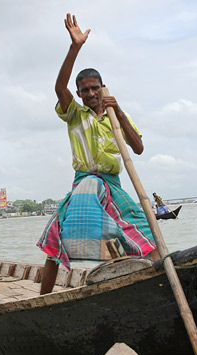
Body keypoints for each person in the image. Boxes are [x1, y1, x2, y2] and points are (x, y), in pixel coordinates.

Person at [37, 14, 158, 295]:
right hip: (84, 184)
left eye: (95, 88)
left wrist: (120, 112)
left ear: (102, 89)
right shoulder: (75, 115)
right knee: (55, 238)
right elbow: (59, 87)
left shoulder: (115, 116)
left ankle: (156, 281)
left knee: (143, 230)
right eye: (85, 90)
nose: (91, 93)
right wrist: (75, 47)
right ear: (79, 94)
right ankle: (43, 299)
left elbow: (137, 148)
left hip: (112, 186)